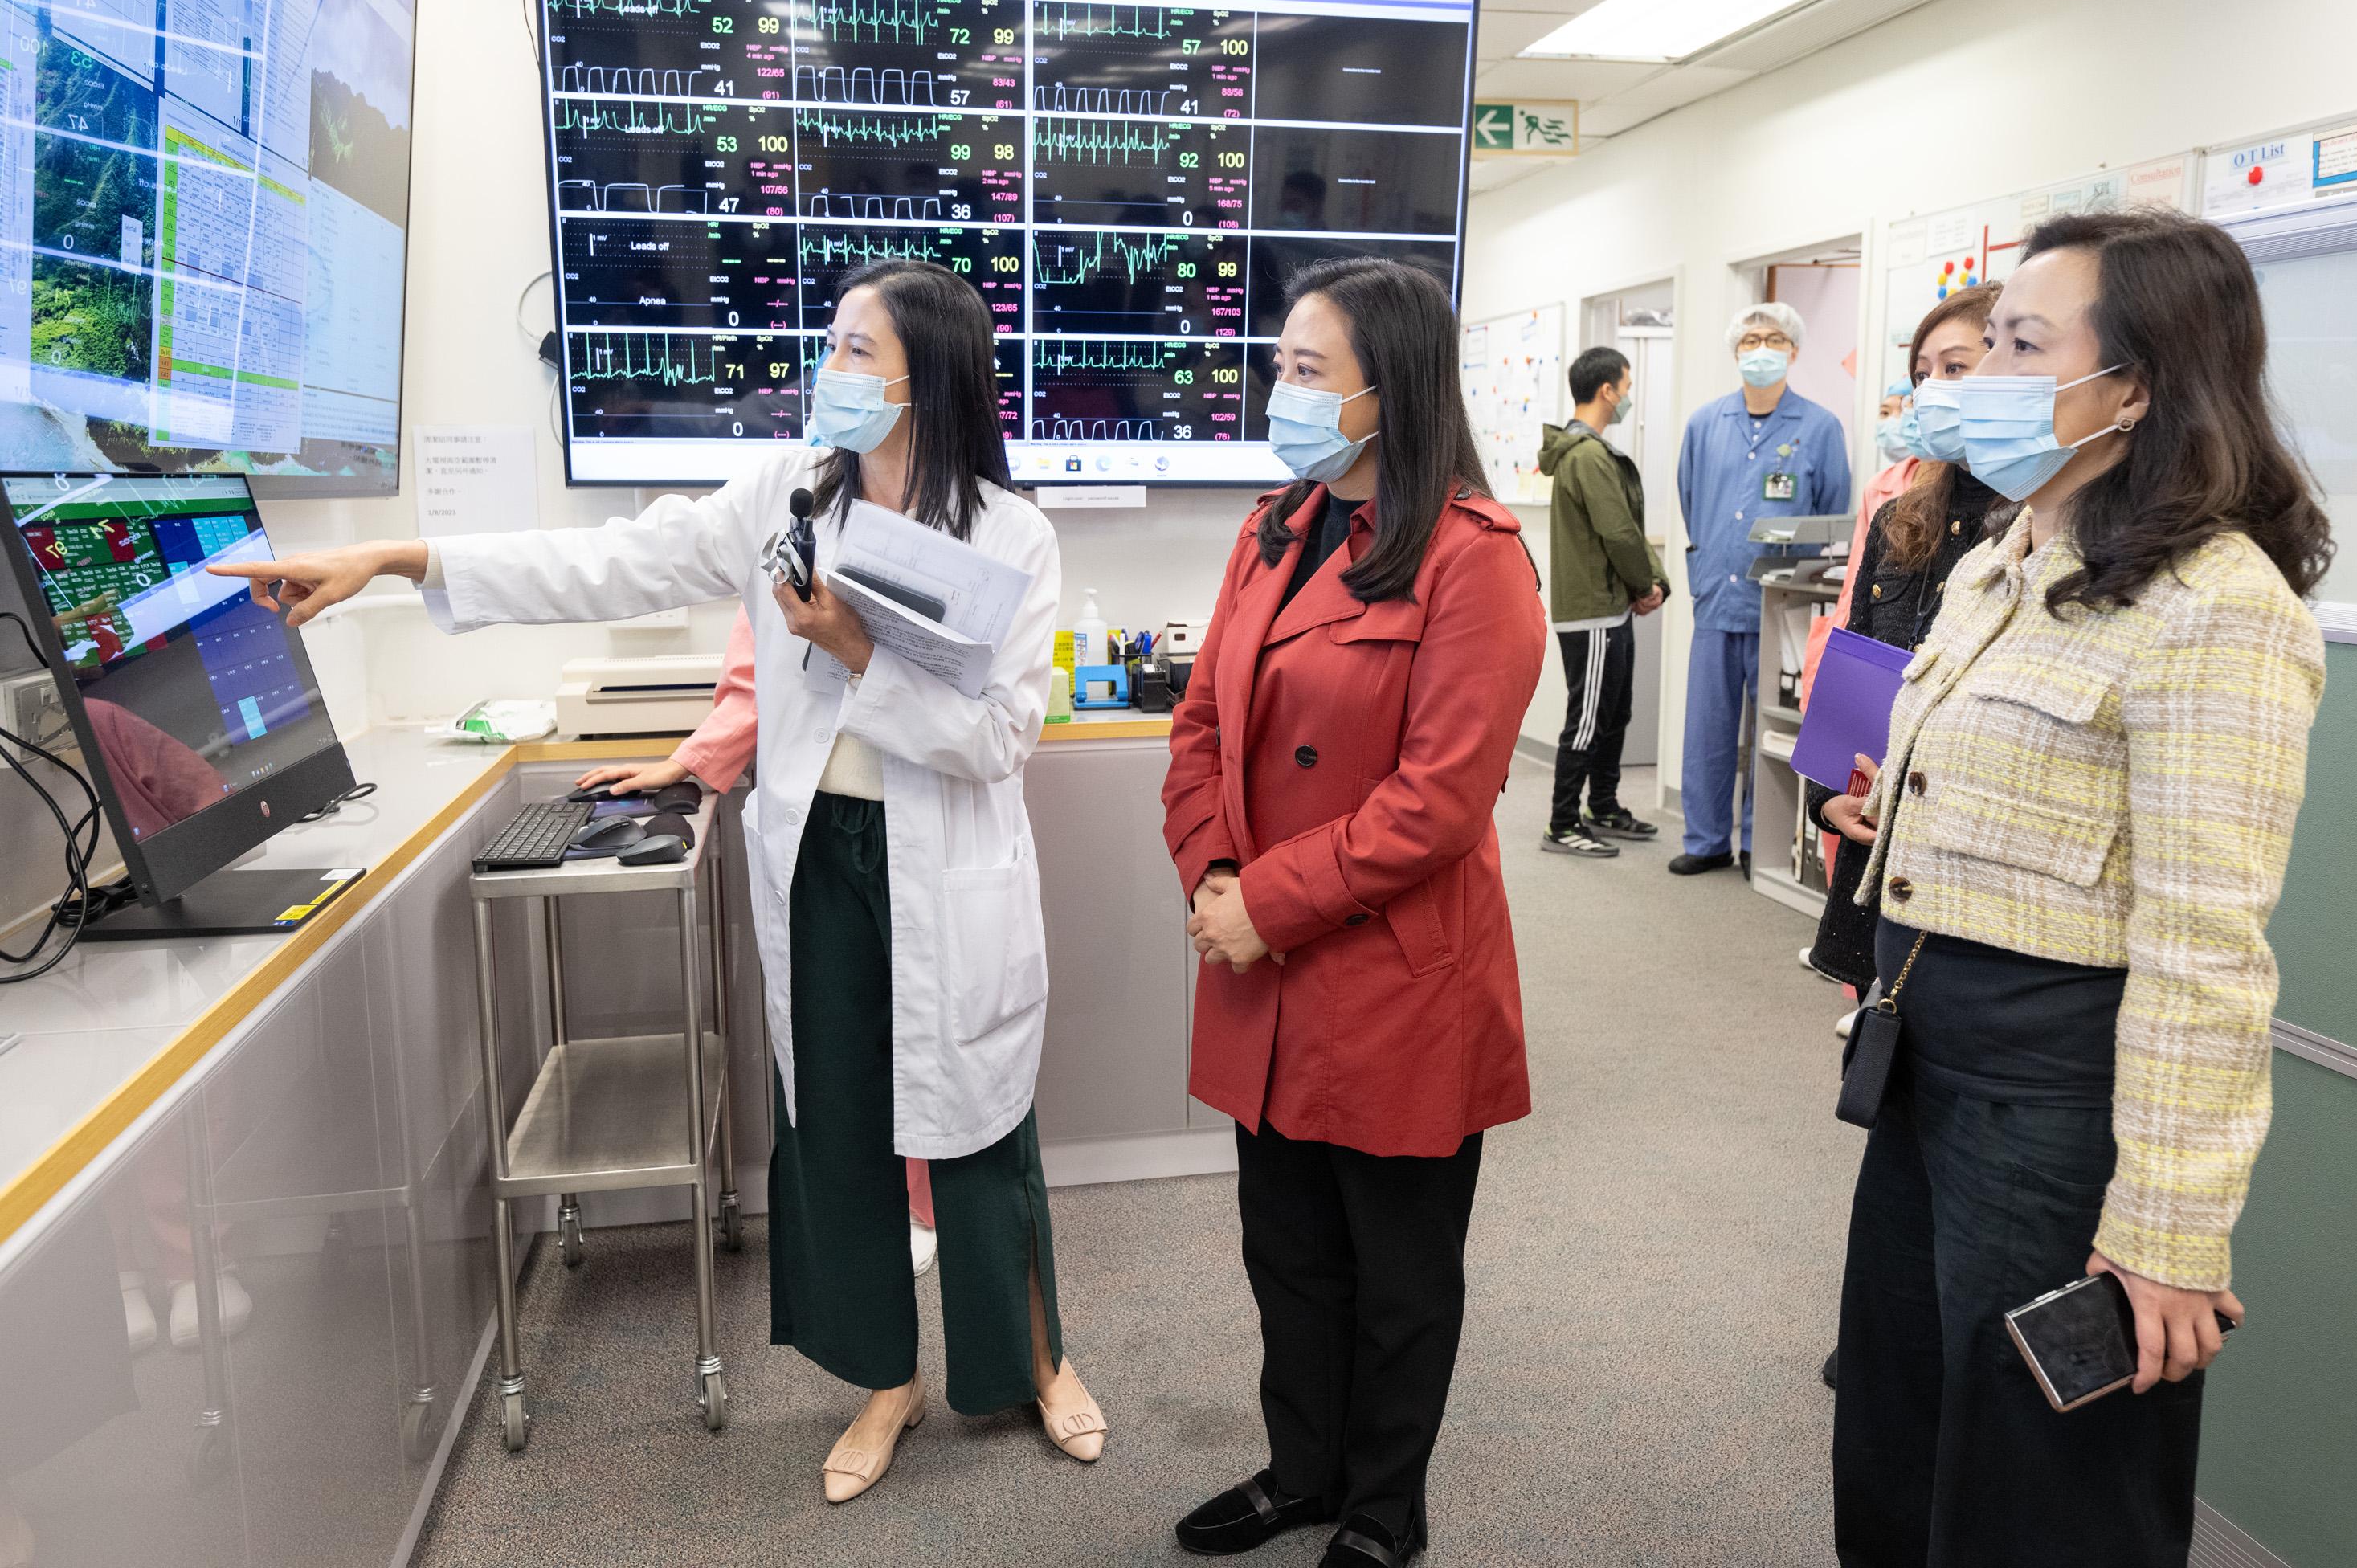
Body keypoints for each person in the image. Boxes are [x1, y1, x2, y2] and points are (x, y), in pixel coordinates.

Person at [211, 259, 1109, 1505]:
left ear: (929, 379)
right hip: (819, 864)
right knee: (839, 1131)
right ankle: (884, 1380)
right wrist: (402, 556)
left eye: (856, 351)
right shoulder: (787, 495)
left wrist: (854, 654)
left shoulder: (1012, 536)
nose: (828, 371)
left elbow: (1002, 737)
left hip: (946, 868)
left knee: (978, 1125)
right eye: (833, 344)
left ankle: (1039, 1361)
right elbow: (607, 564)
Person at [1832, 211, 2330, 1566]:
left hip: (2055, 1106)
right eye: (1984, 339)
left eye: (2022, 344)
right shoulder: (2011, 554)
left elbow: (2205, 944)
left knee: (2039, 1493)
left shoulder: (2215, 601)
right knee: (1896, 1441)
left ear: (2138, 384)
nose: (1979, 370)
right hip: (1925, 1066)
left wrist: (2169, 1228)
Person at [1162, 258, 1545, 1568]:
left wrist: (1263, 904)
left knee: (1398, 1278)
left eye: (1307, 372)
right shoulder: (1272, 527)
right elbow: (1203, 723)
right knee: (1291, 1255)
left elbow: (1440, 801)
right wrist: (1213, 881)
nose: (1281, 392)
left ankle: (1384, 1513)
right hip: (1263, 968)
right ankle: (1302, 1472)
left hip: (1390, 975)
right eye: (1280, 366)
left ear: (1391, 391)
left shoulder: (1473, 557)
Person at [574, 610, 938, 1280]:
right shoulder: (783, 535)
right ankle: (872, 1213)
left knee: (932, 1028)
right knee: (843, 1037)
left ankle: (927, 1206)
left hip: (934, 808)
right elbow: (753, 686)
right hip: (826, 817)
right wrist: (684, 763)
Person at [1803, 282, 2003, 997]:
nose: (1933, 390)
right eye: (1923, 375)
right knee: (1875, 1066)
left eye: (1957, 368)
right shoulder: (1903, 519)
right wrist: (1828, 792)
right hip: (1876, 847)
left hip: (1969, 871)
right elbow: (1861, 663)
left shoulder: (2041, 531)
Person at [1671, 300, 1849, 876]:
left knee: (1773, 727)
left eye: (1773, 339)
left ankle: (1758, 843)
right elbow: (1691, 501)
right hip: (1717, 601)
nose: (1761, 350)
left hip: (1782, 603)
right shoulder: (1704, 424)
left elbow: (1832, 513)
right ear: (1736, 351)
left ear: (1793, 351)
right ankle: (1706, 840)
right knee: (1708, 728)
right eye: (1750, 341)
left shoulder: (1819, 427)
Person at [1535, 345, 1667, 858]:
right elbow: (1619, 533)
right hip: (1592, 611)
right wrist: (1645, 585)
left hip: (1609, 609)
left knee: (1614, 714)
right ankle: (1563, 823)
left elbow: (1623, 529)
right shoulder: (1587, 455)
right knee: (1588, 718)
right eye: (1626, 387)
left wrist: (1643, 585)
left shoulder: (1587, 450)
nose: (1628, 397)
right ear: (1607, 390)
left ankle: (1604, 806)